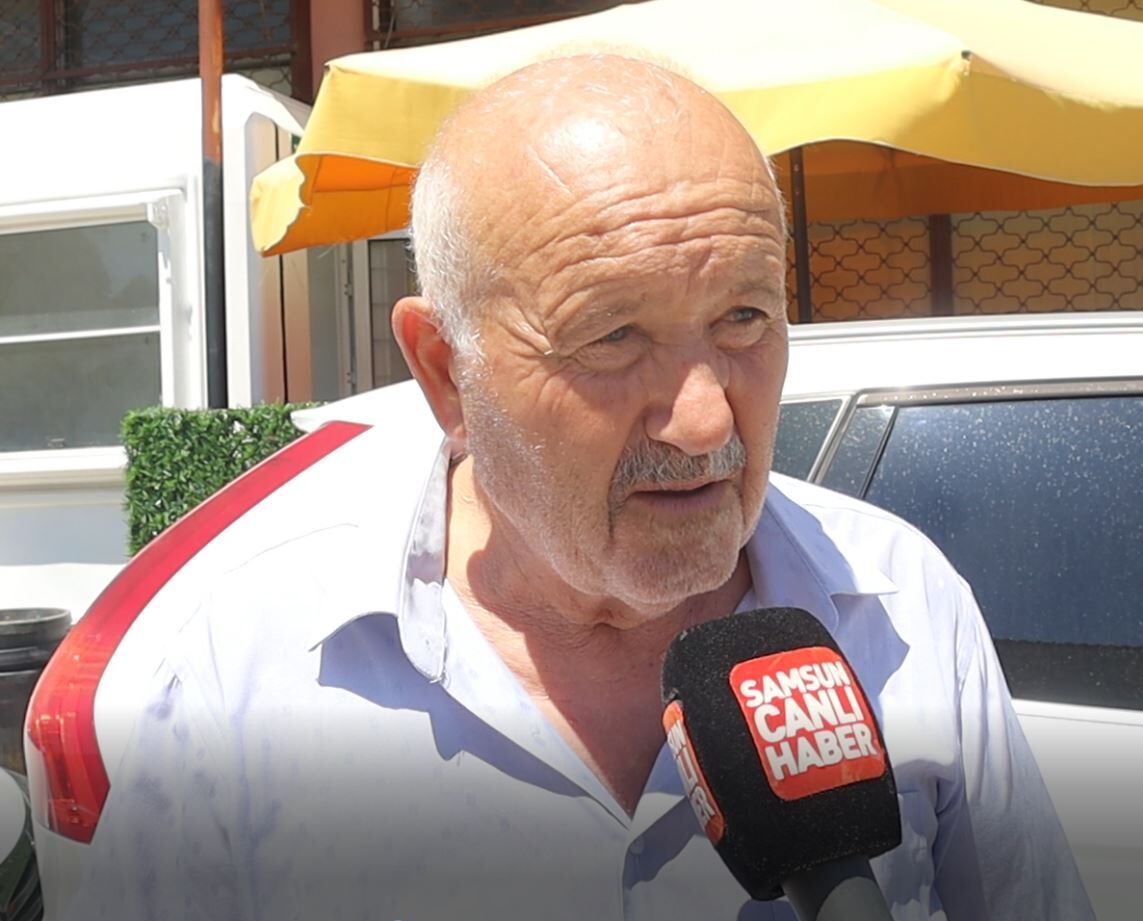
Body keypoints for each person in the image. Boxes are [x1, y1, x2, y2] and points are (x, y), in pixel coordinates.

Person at [72, 55, 1092, 921]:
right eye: (614, 335)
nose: (705, 420)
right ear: (446, 372)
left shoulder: (906, 605)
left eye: (743, 317)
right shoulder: (245, 672)